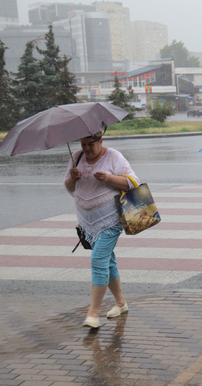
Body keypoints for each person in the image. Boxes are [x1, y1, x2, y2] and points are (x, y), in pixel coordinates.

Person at [64, 130, 139, 328]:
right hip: (88, 222)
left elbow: (133, 182)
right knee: (108, 260)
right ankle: (121, 303)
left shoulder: (113, 156)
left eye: (91, 144)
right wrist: (72, 177)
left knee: (98, 260)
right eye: (83, 144)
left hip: (110, 220)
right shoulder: (76, 157)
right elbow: (69, 187)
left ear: (100, 140)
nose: (87, 149)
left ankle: (93, 313)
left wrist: (108, 178)